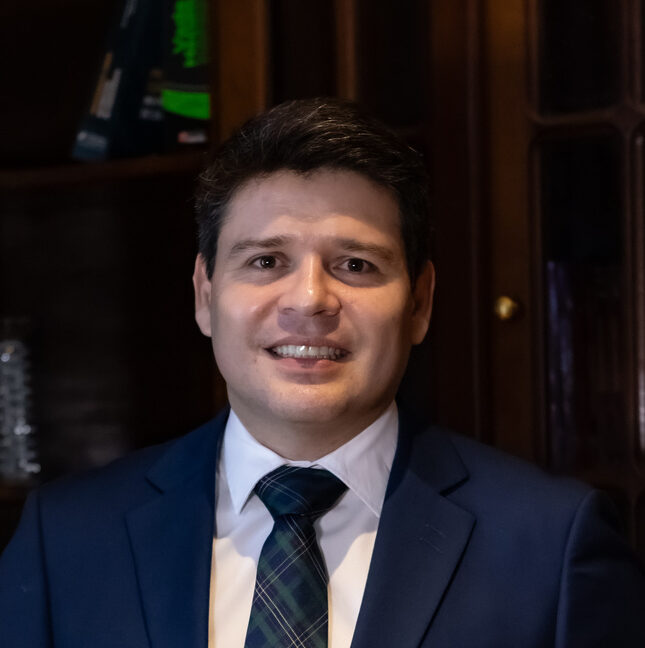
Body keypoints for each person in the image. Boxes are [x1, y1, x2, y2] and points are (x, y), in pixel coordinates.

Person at [1, 98, 644, 648]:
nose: (309, 300)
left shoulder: (551, 546)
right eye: (266, 261)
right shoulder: (66, 540)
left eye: (356, 265)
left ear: (420, 302)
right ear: (204, 293)